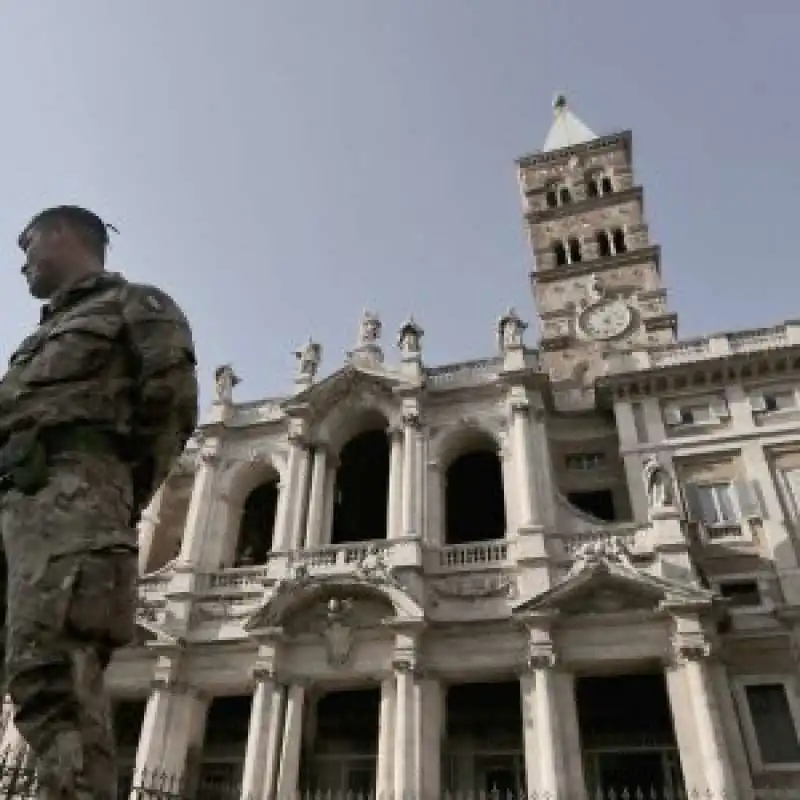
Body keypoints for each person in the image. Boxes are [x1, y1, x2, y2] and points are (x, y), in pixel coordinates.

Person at [0, 206, 198, 799]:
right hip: (12, 503)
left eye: (28, 243)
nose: (22, 262)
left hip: (75, 505)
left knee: (53, 682)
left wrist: (109, 494)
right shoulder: (36, 338)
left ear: (63, 234)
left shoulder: (136, 305)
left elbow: (172, 406)